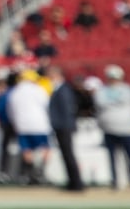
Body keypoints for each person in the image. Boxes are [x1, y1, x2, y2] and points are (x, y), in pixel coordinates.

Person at [93, 65, 130, 190]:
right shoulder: (102, 91)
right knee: (112, 157)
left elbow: (126, 101)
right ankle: (115, 181)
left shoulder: (128, 90)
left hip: (126, 129)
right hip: (109, 128)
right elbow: (100, 103)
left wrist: (112, 104)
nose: (114, 80)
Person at [5, 71, 52, 185]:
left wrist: (15, 123)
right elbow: (47, 105)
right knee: (45, 148)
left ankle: (31, 173)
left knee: (27, 149)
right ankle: (40, 172)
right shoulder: (38, 90)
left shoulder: (15, 92)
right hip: (40, 124)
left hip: (22, 125)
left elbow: (10, 111)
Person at [44, 64, 83, 192]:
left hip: (64, 127)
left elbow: (66, 110)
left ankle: (76, 183)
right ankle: (73, 182)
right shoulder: (58, 89)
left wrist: (61, 125)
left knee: (68, 155)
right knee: (66, 155)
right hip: (62, 126)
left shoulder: (63, 89)